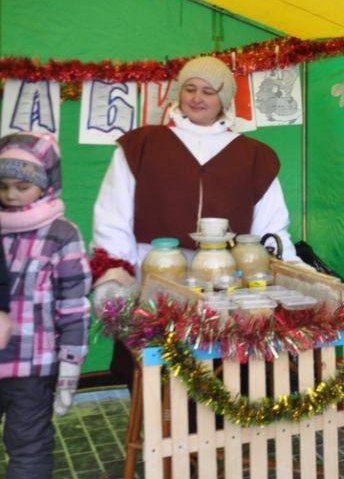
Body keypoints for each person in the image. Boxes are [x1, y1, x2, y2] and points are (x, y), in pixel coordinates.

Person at [90, 56, 297, 378]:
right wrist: (117, 272)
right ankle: (156, 425)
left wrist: (288, 266)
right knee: (154, 371)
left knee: (220, 375)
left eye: (209, 91)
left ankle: (215, 426)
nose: (198, 98)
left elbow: (271, 225)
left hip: (226, 281)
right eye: (190, 88)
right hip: (155, 276)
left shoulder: (254, 155)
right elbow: (112, 213)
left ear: (224, 99)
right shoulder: (142, 145)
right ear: (179, 93)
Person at [0, 132, 91, 478]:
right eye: (3, 185)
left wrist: (70, 367)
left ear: (46, 183)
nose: (11, 195)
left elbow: (73, 304)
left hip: (32, 368)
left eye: (22, 186)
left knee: (28, 448)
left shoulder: (61, 234)